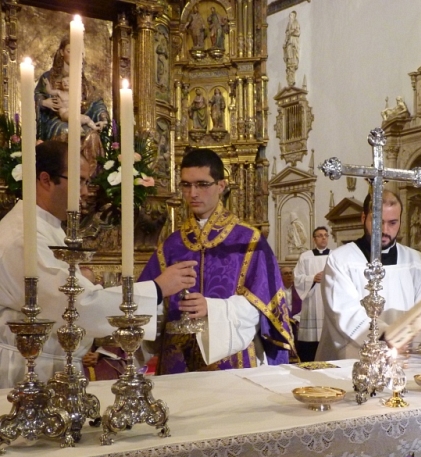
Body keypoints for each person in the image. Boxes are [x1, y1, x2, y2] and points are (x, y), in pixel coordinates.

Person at [0, 140, 196, 389]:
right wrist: (157, 289)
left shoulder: (44, 227)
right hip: (29, 372)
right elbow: (75, 306)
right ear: (46, 180)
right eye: (80, 180)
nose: (85, 192)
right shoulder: (24, 236)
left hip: (50, 364)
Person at [138, 148, 294, 373]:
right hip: (177, 362)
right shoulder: (172, 245)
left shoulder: (248, 241)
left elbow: (267, 308)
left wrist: (212, 308)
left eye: (202, 184)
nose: (192, 193)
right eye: (186, 185)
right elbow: (149, 300)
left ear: (221, 185)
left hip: (233, 359)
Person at [316, 189, 421, 360]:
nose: (385, 230)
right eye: (378, 222)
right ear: (364, 218)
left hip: (406, 359)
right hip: (356, 358)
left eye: (393, 223)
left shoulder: (416, 261)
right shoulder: (341, 260)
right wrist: (386, 334)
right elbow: (344, 312)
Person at [34, 36, 109, 143]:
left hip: (80, 118)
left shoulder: (84, 82)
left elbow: (96, 103)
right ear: (61, 52)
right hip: (57, 119)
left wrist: (103, 119)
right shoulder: (48, 77)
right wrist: (44, 102)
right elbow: (36, 96)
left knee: (92, 135)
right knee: (67, 130)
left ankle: (88, 160)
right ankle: (61, 160)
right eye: (70, 51)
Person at [294, 226, 330, 362]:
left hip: (328, 298)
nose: (324, 238)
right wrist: (312, 279)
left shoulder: (334, 255)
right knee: (310, 344)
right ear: (314, 239)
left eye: (326, 235)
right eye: (320, 235)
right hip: (311, 299)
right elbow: (298, 277)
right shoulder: (305, 256)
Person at [280, 265, 302, 347]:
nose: (289, 275)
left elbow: (304, 307)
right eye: (286, 273)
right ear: (280, 276)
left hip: (297, 320)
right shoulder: (278, 291)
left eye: (290, 273)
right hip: (282, 320)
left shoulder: (299, 290)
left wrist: (296, 319)